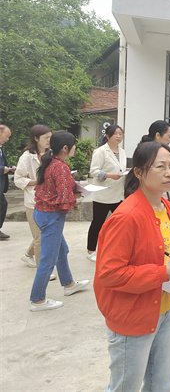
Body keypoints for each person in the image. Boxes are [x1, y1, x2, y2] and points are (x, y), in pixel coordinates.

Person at [94, 141, 170, 391]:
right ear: (139, 172)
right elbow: (109, 274)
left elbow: (166, 251)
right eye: (160, 167)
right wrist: (163, 273)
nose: (169, 173)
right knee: (124, 387)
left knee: (161, 383)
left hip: (163, 309)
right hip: (132, 316)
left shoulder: (165, 206)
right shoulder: (126, 217)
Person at [30, 131, 90, 311]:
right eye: (74, 145)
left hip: (41, 213)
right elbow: (64, 200)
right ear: (65, 148)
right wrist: (79, 195)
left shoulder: (50, 162)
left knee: (62, 250)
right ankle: (37, 300)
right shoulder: (60, 167)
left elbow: (52, 189)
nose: (75, 148)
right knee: (48, 260)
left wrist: (74, 189)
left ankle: (69, 284)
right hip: (51, 216)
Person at [86, 124, 127, 262]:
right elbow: (94, 171)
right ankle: (91, 250)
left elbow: (121, 169)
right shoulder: (100, 151)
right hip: (103, 194)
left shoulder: (122, 152)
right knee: (98, 223)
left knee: (121, 223)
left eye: (120, 134)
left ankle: (116, 248)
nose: (119, 136)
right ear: (108, 136)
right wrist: (110, 175)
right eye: (116, 134)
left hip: (118, 194)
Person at [14, 125, 52, 269]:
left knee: (44, 234)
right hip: (33, 202)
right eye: (46, 138)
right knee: (40, 237)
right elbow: (18, 179)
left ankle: (28, 255)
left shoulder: (50, 154)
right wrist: (36, 181)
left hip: (49, 201)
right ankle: (43, 270)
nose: (49, 140)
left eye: (50, 137)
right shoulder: (27, 157)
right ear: (36, 138)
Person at [0, 125, 16, 240]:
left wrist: (10, 168)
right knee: (2, 204)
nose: (7, 139)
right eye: (7, 136)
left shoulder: (1, 148)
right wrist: (2, 169)